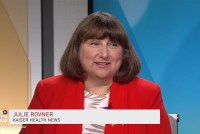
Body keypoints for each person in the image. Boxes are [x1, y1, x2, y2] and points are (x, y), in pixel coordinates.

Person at [20, 12, 172, 134]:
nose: (104, 54)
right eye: (95, 43)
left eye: (113, 45)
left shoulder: (148, 94)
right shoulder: (48, 90)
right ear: (77, 49)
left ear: (123, 52)